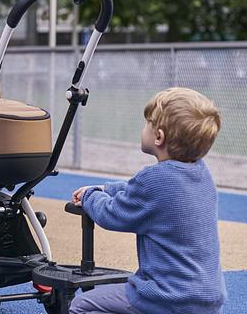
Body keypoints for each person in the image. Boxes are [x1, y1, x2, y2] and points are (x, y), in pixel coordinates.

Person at [70, 87, 227, 314]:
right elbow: (141, 192)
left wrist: (89, 196)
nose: (143, 128)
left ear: (159, 136)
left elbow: (112, 214)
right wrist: (106, 188)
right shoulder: (201, 173)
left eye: (147, 123)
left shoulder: (153, 179)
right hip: (208, 299)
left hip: (166, 297)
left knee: (80, 306)